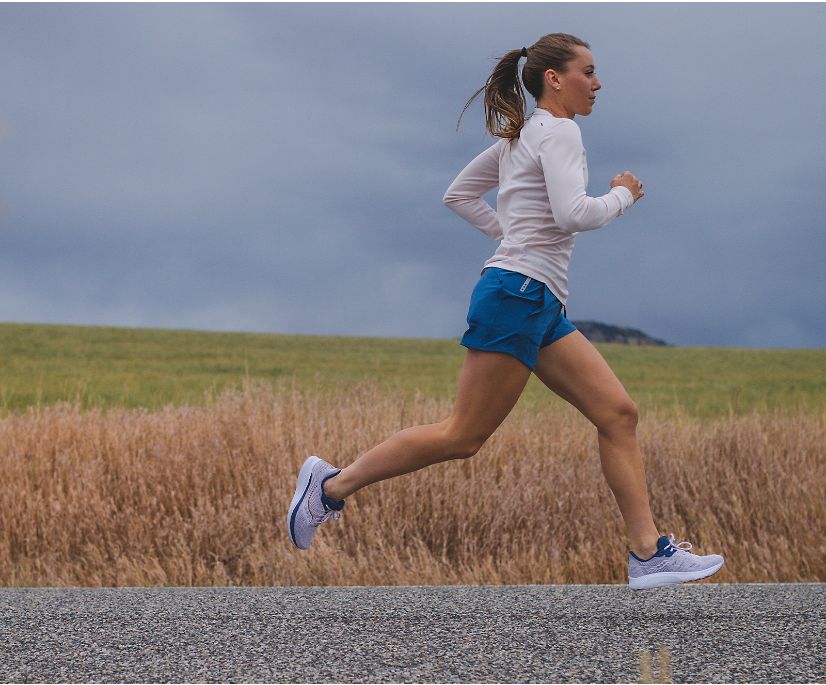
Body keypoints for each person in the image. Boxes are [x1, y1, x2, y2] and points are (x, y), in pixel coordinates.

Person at [287, 33, 724, 590]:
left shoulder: (520, 138)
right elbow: (572, 215)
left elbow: (457, 196)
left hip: (535, 300)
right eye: (587, 72)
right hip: (518, 295)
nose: (597, 83)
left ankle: (649, 553)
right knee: (462, 436)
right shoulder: (560, 131)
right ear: (554, 79)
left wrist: (510, 238)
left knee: (618, 415)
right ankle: (328, 488)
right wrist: (622, 194)